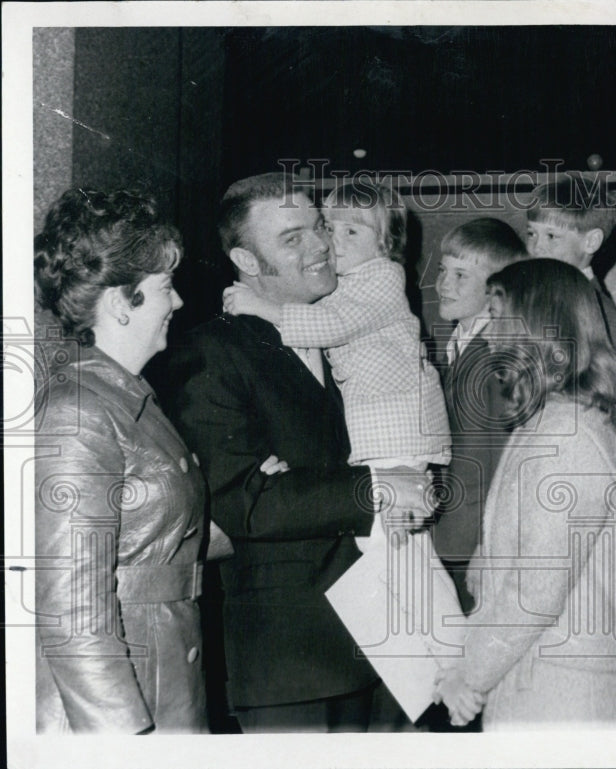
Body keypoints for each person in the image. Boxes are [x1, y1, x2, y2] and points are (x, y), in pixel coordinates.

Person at [167, 173, 433, 733]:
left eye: (320, 227)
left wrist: (297, 486)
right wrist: (378, 486)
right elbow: (246, 503)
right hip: (295, 660)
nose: (321, 246)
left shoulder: (351, 328)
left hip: (395, 644)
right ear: (245, 258)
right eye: (293, 239)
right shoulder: (212, 351)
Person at [434, 258, 616, 730]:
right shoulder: (551, 421)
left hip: (566, 691)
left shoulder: (567, 437)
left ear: (536, 328)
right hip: (546, 675)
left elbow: (536, 591)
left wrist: (469, 674)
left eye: (498, 318)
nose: (489, 336)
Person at [34, 188, 207, 733]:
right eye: (165, 288)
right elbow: (71, 607)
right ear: (119, 303)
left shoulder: (127, 397)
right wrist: (122, 740)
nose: (177, 303)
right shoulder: (80, 411)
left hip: (161, 661)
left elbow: (149, 536)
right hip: (127, 695)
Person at [222, 180, 450, 472]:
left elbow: (333, 325)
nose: (331, 243)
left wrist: (259, 306)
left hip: (398, 435)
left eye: (351, 232)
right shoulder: (346, 282)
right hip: (376, 435)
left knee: (389, 507)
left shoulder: (384, 278)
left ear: (385, 244)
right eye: (329, 229)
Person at [433, 217, 527, 613]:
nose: (444, 283)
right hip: (452, 535)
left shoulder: (495, 357)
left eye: (461, 275)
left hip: (476, 545)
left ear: (495, 294)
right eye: (443, 270)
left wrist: (487, 547)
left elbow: (505, 465)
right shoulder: (457, 343)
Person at [525, 175, 616, 381]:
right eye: (532, 234)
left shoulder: (602, 317)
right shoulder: (540, 300)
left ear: (591, 241)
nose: (536, 247)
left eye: (551, 236)